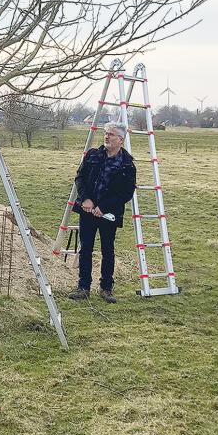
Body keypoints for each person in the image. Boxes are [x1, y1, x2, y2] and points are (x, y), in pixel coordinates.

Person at [67, 122, 136, 303]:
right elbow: (80, 177)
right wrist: (86, 199)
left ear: (120, 140)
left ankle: (106, 288)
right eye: (106, 133)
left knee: (108, 250)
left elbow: (126, 192)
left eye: (111, 134)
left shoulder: (127, 165)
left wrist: (103, 207)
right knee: (85, 249)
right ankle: (83, 287)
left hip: (108, 214)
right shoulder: (93, 155)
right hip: (87, 211)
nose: (106, 136)